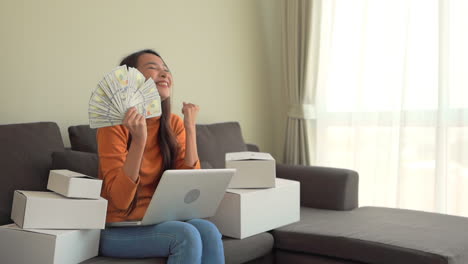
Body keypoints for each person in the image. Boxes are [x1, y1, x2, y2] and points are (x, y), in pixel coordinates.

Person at [97, 49, 225, 264]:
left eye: (166, 70)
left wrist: (190, 128)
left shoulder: (173, 123)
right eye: (153, 68)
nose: (164, 74)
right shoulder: (112, 125)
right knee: (185, 234)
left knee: (209, 230)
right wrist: (139, 141)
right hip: (118, 228)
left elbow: (190, 185)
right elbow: (120, 200)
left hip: (159, 219)